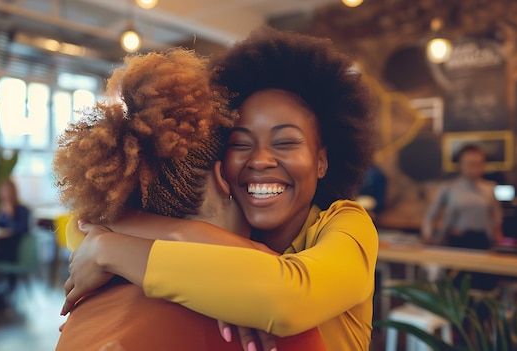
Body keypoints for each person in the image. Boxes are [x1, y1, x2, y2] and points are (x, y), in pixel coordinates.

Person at [62, 26, 378, 351]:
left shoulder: (345, 223)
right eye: (241, 144)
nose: (261, 160)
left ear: (322, 161)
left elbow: (290, 296)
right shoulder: (235, 218)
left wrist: (109, 249)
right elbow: (83, 224)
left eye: (285, 142)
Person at [422, 143, 503, 290]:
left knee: (483, 287)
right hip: (456, 242)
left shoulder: (489, 188)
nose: (475, 168)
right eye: (470, 164)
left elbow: (496, 219)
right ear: (461, 165)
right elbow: (430, 215)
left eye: (479, 164)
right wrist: (428, 236)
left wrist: (499, 243)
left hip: (482, 243)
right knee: (457, 287)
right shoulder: (449, 188)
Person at [0, 179, 31, 312]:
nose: (4, 193)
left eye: (7, 190)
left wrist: (10, 215)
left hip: (15, 251)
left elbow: (22, 230)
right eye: (2, 190)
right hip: (0, 247)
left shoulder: (22, 210)